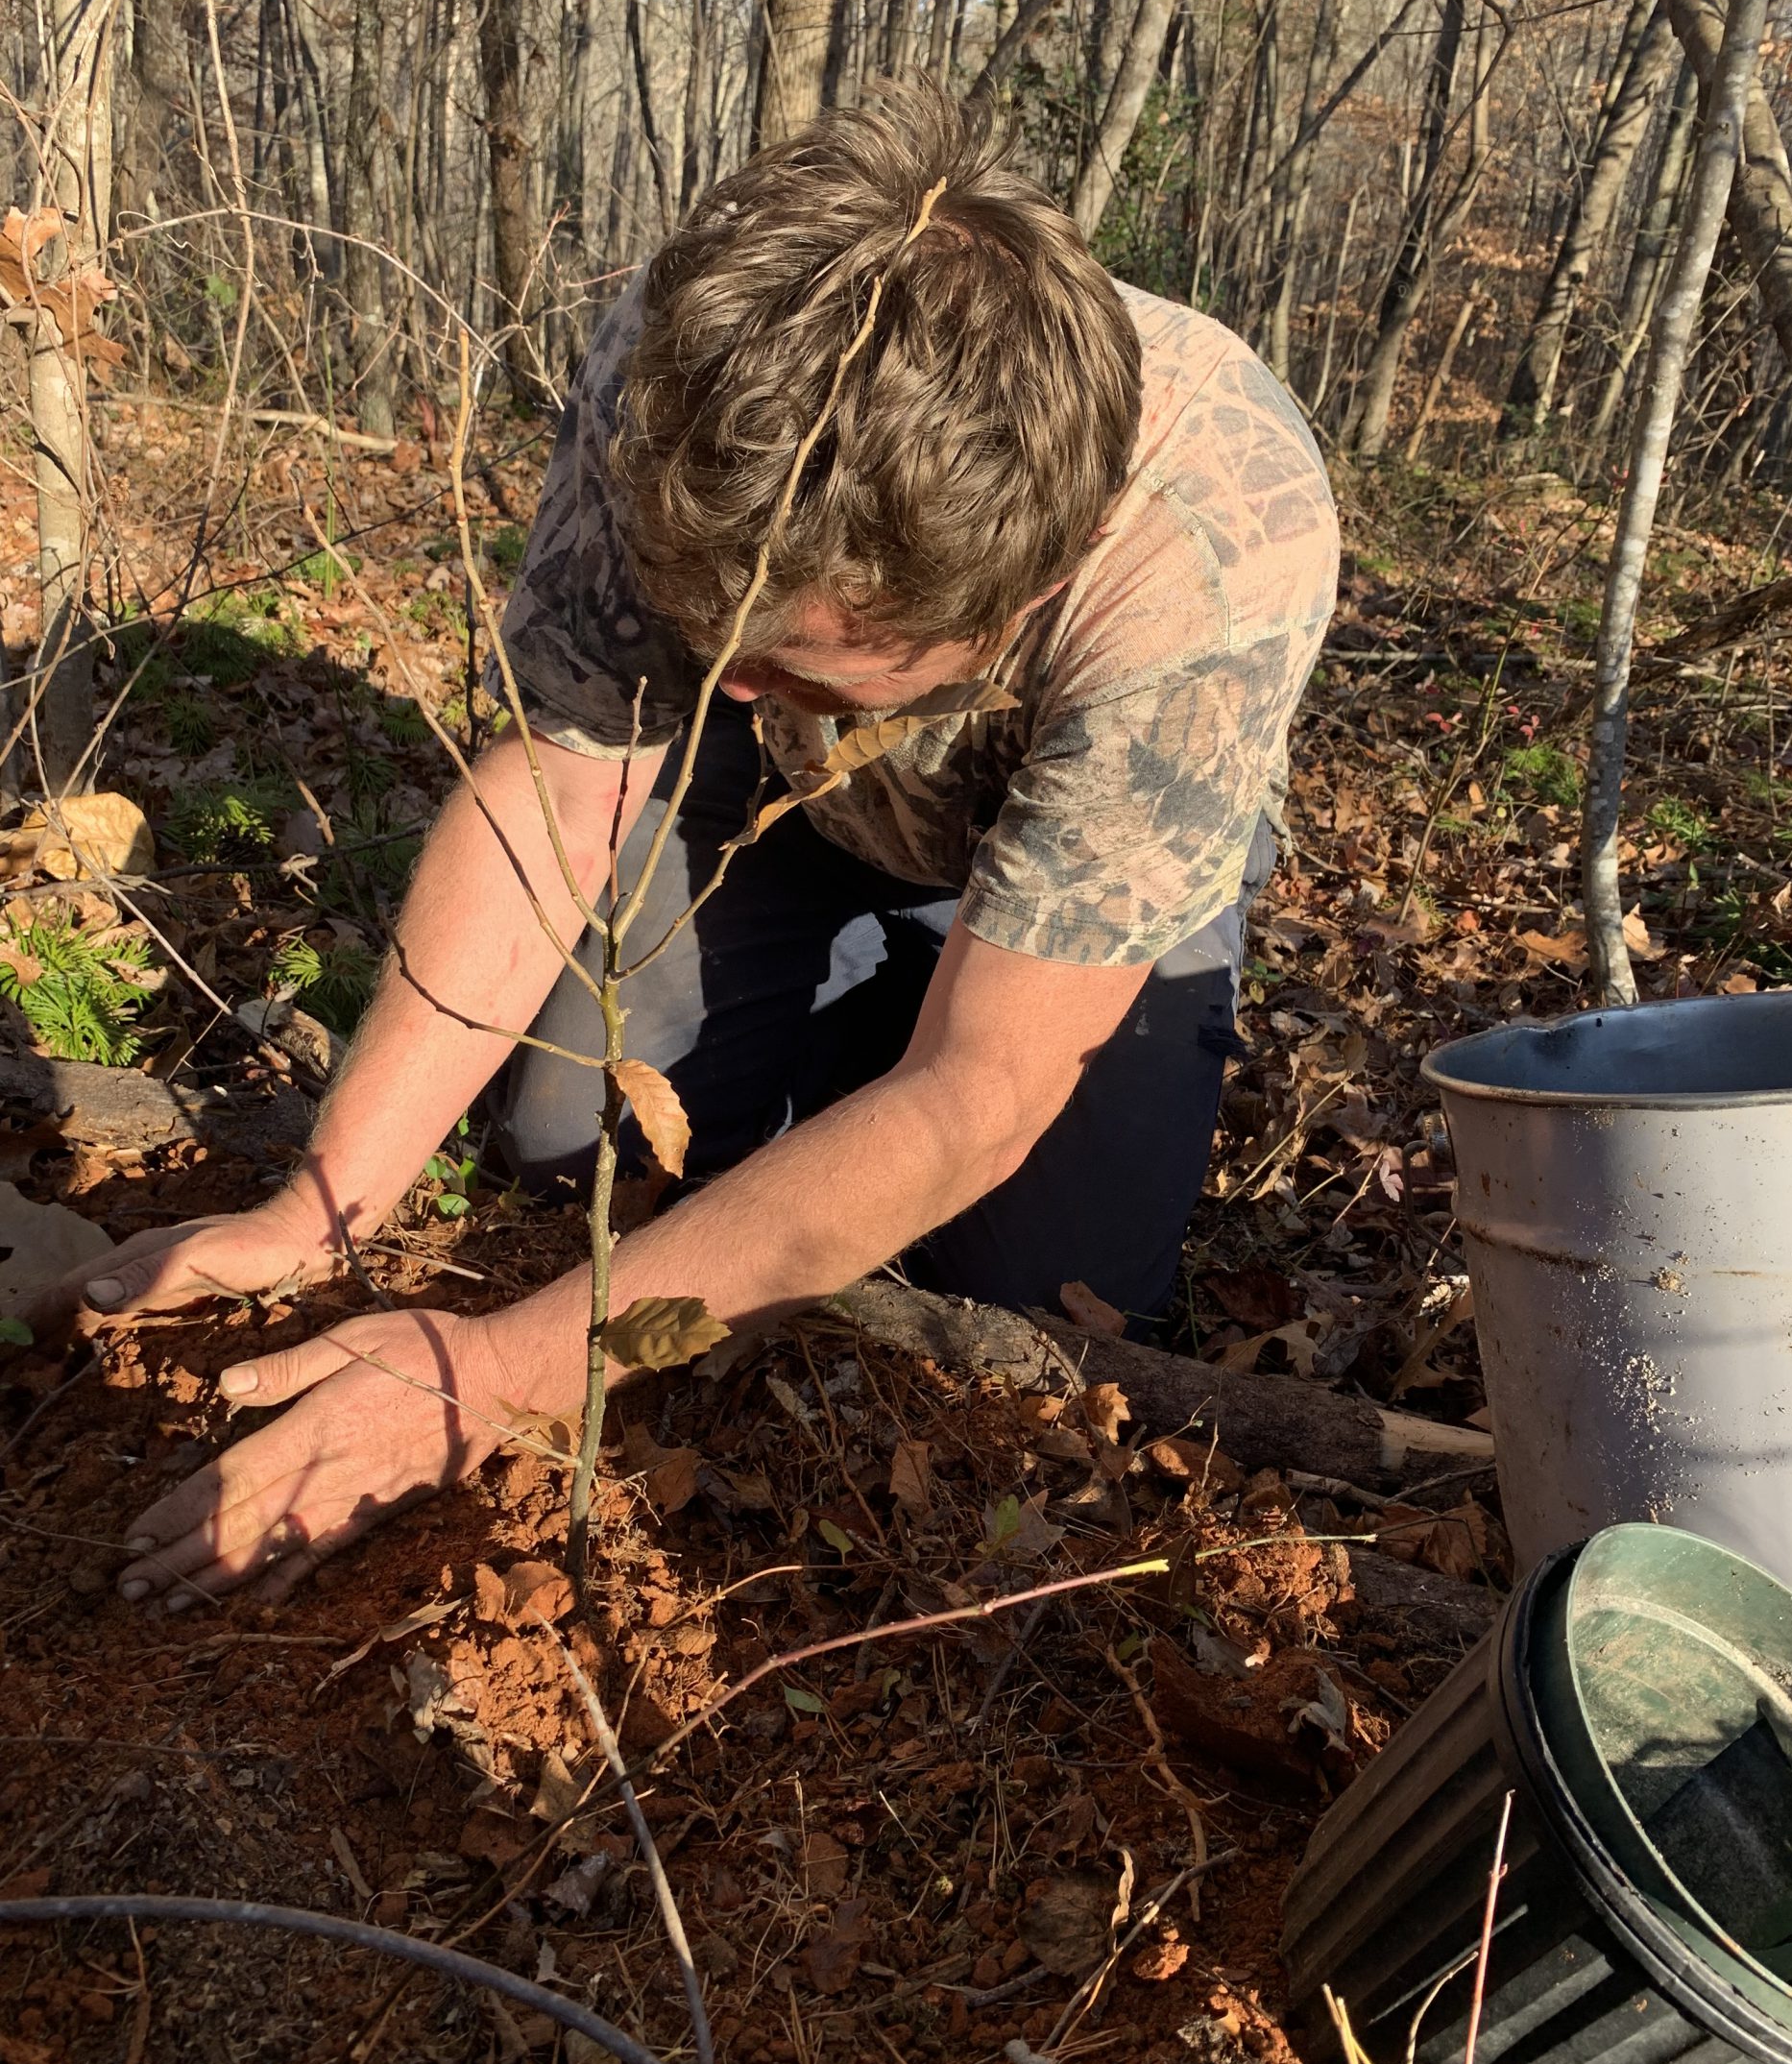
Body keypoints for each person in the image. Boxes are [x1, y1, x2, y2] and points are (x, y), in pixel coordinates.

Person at [31, 87, 1338, 1608]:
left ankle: (888, 1023)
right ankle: (846, 1040)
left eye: (799, 665)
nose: (743, 679)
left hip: (1093, 868)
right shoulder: (701, 368)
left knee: (1048, 1311)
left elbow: (986, 1090)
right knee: (570, 1156)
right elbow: (563, 784)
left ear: (1005, 608)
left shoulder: (1210, 551)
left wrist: (497, 1375)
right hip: (755, 808)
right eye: (722, 642)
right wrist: (318, 1212)